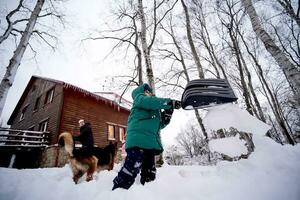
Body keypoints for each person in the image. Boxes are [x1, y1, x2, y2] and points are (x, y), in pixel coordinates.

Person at [112, 83, 181, 190]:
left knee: (150, 170)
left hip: (149, 143)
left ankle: (148, 191)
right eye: (147, 91)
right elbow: (150, 102)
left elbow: (158, 126)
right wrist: (168, 102)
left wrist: (167, 116)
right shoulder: (139, 99)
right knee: (132, 167)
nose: (149, 94)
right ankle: (118, 189)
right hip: (137, 141)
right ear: (141, 92)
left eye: (150, 92)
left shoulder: (153, 109)